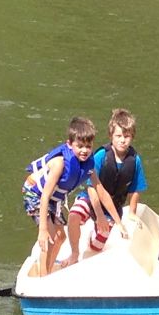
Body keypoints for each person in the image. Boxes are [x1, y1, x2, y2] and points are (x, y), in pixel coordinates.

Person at [22, 117, 128, 277]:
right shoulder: (60, 164)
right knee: (50, 236)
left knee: (61, 236)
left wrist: (119, 223)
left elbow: (101, 191)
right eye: (79, 146)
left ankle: (48, 270)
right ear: (69, 144)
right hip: (36, 194)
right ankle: (42, 280)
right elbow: (44, 196)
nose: (84, 150)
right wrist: (42, 229)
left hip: (53, 199)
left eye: (88, 146)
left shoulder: (88, 165)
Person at [65, 108, 148, 267]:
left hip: (112, 207)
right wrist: (98, 215)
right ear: (111, 136)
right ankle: (74, 252)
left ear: (132, 137)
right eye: (118, 136)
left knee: (97, 245)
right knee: (74, 215)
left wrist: (131, 212)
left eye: (126, 136)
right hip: (91, 199)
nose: (122, 140)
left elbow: (136, 188)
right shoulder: (100, 155)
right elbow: (92, 188)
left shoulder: (134, 160)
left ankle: (92, 237)